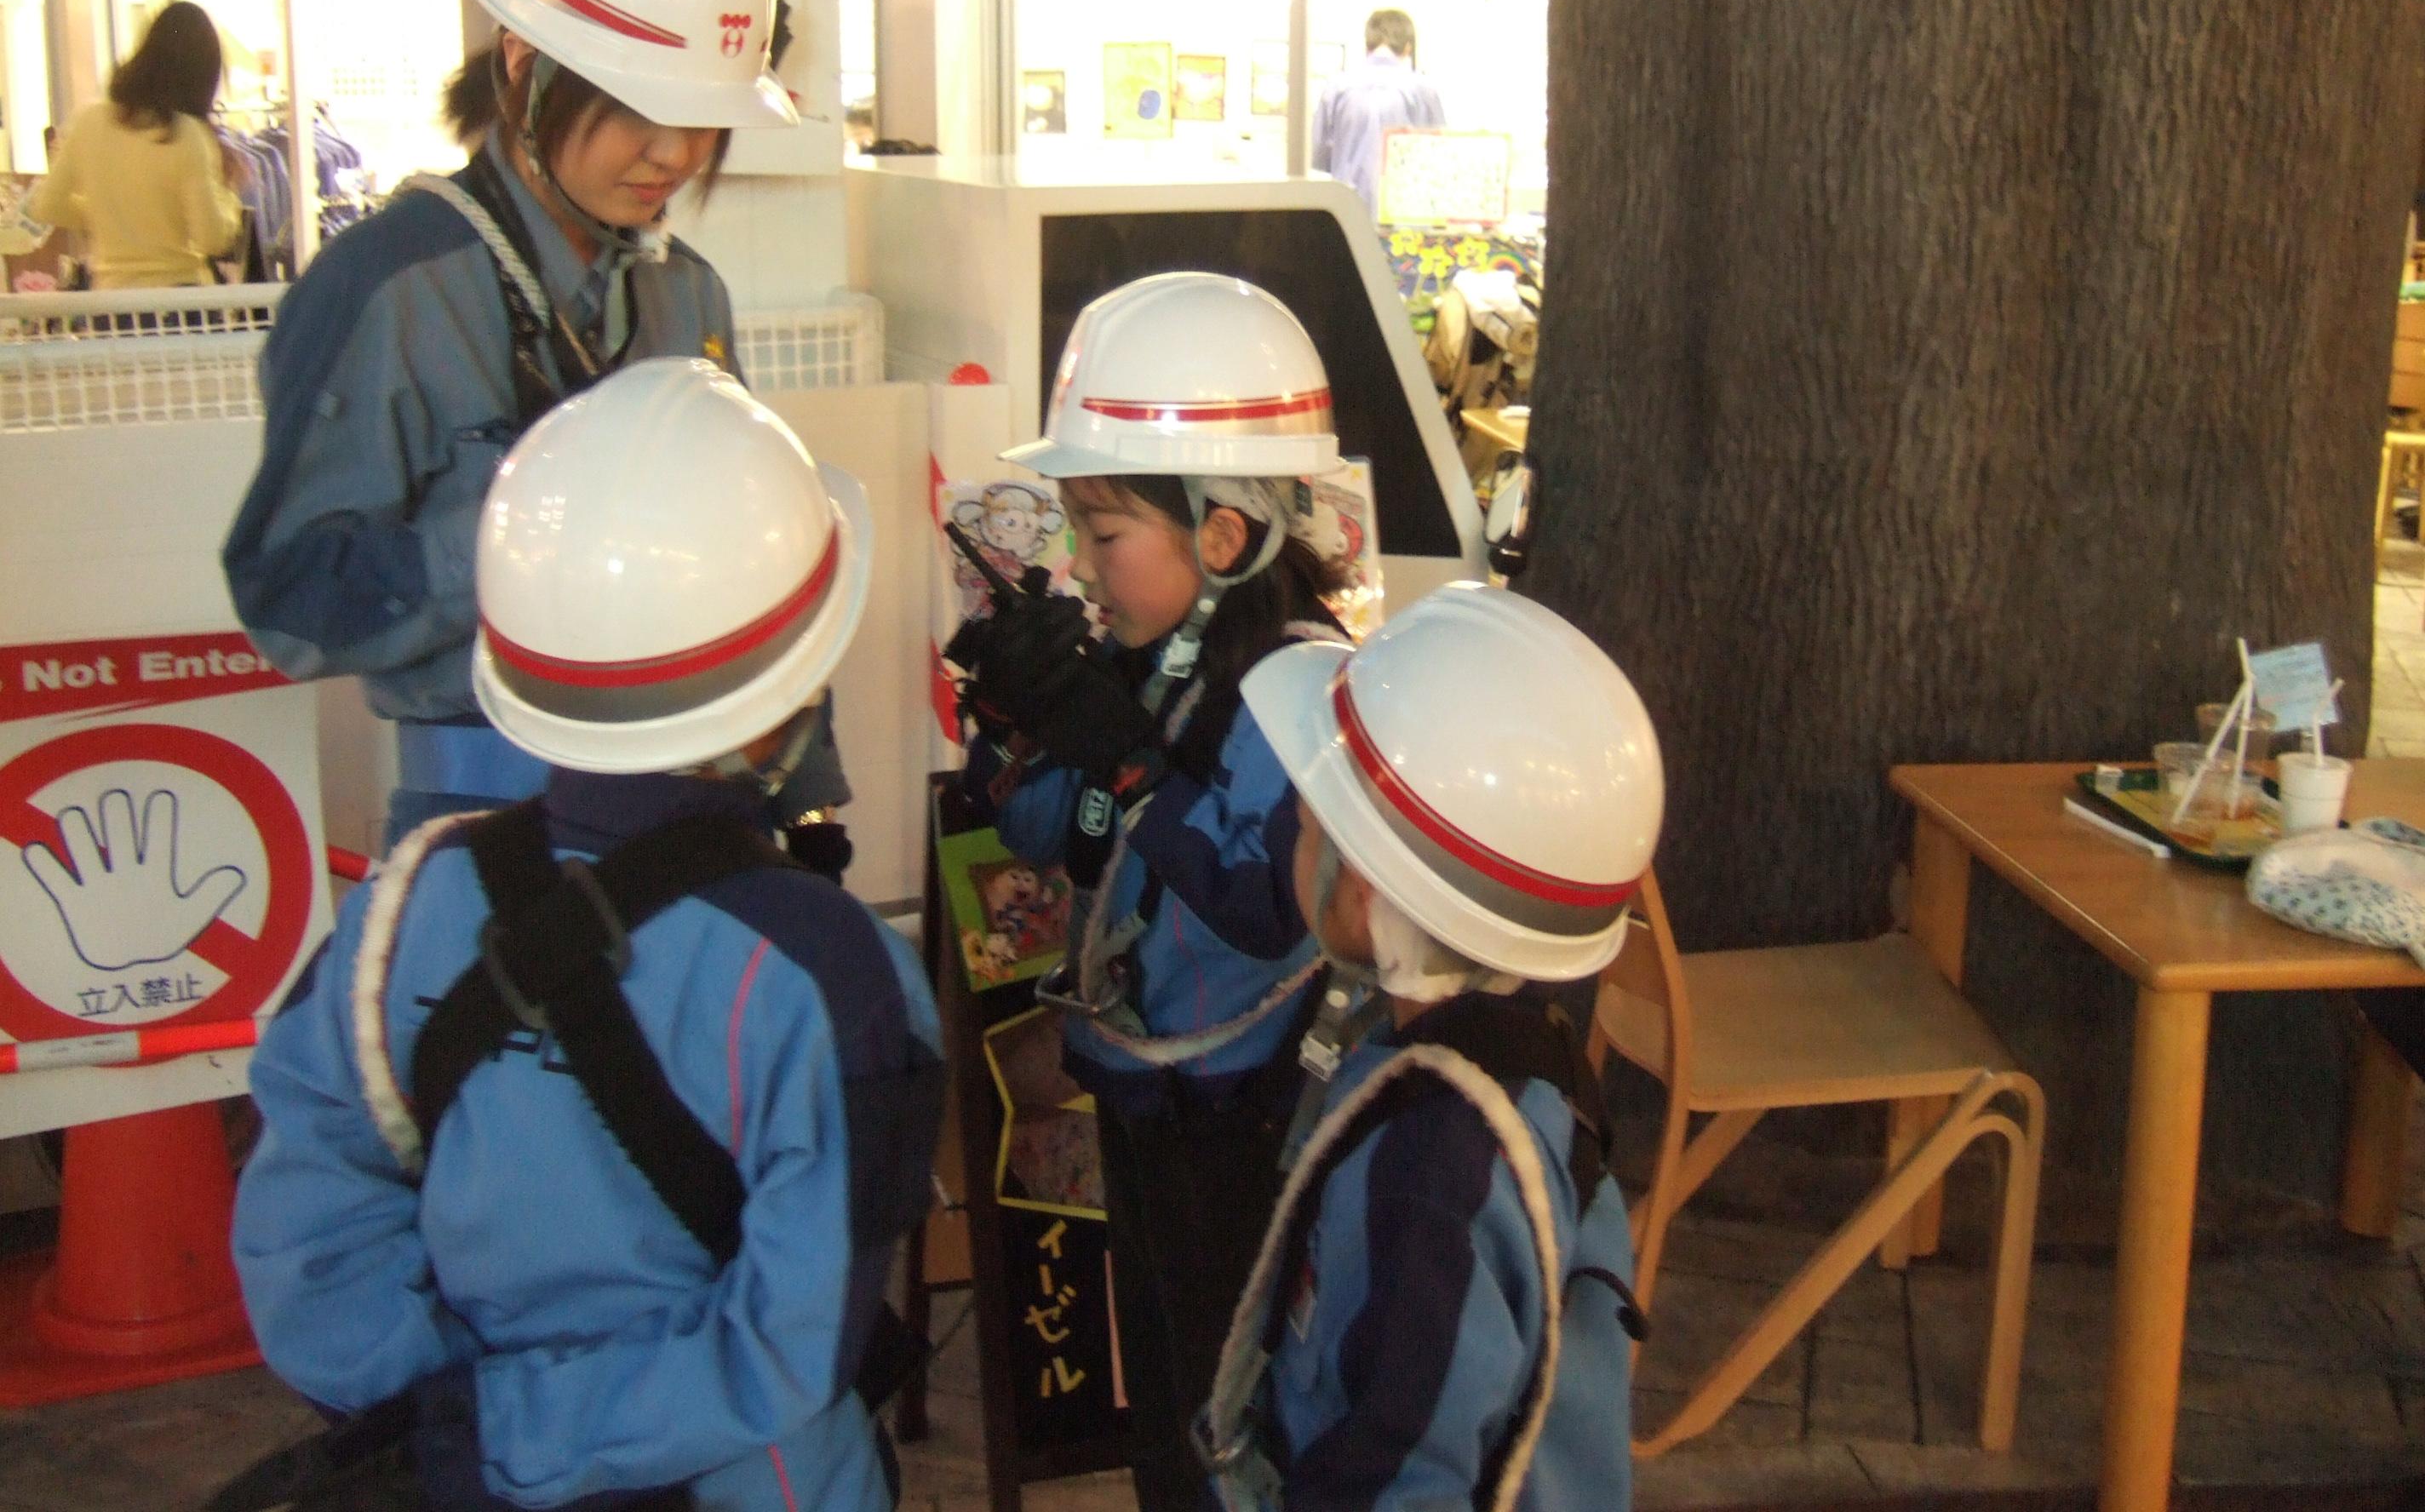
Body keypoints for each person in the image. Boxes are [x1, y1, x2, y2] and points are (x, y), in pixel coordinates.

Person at [224, 358, 943, 1512]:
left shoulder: (404, 908)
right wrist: (553, 1436)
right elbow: (792, 1345)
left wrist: (471, 1435)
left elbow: (304, 1243)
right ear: (791, 697)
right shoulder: (836, 973)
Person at [221, 0, 846, 854]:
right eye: (639, 108)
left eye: (703, 117)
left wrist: (805, 799)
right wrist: (513, 534)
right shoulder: (388, 291)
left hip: (699, 807)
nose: (674, 154)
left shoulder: (685, 293)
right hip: (482, 813)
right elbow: (289, 606)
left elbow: (759, 564)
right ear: (523, 62)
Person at [948, 272, 1353, 1510]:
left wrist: (1125, 762)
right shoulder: (1152, 664)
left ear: (1221, 537)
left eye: (1104, 534)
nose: (1080, 563)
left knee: (1231, 1403)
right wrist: (1014, 728)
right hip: (1141, 1097)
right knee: (1166, 1402)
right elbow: (1054, 837)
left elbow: (1263, 903)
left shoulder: (1298, 690)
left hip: (1242, 1123)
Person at [1193, 581, 1661, 1509]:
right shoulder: (1511, 1077)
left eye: (1310, 823)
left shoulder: (1435, 1168)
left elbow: (1404, 1481)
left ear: (1368, 886)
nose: (1290, 834)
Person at [26, 0, 246, 289]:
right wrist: (229, 202)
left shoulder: (88, 121)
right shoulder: (187, 134)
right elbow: (211, 239)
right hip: (180, 298)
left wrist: (106, 215)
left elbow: (46, 206)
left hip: (111, 297)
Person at [1310, 8, 1447, 219]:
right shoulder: (1423, 90)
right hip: (1405, 215)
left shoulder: (1337, 87)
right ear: (1408, 47)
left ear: (1367, 46)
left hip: (1347, 214)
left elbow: (1318, 156)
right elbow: (1439, 155)